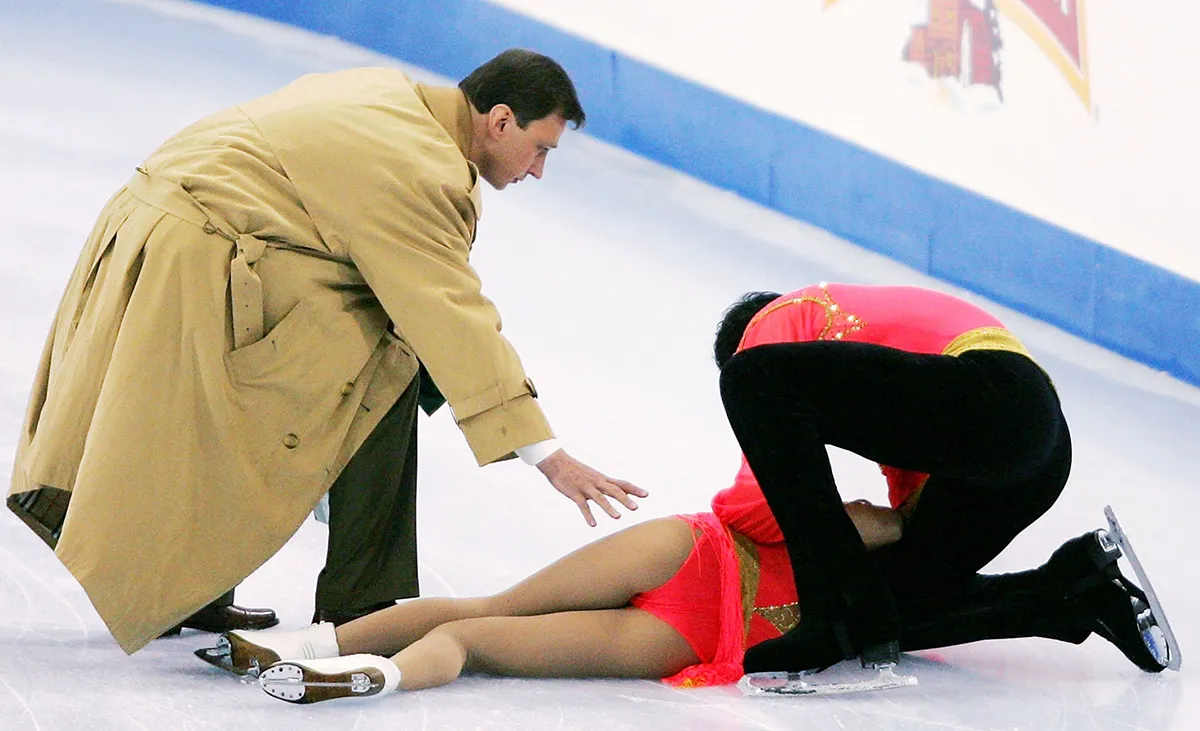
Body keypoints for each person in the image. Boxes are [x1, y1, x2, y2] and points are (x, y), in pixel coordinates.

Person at [6, 49, 645, 654]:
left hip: (154, 228)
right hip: (200, 254)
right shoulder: (424, 170)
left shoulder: (389, 93)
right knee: (389, 366)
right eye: (539, 149)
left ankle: (219, 592)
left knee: (260, 398)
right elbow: (451, 315)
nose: (537, 170)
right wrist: (547, 456)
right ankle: (365, 607)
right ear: (500, 121)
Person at [205, 478, 1168, 705]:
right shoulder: (885, 546)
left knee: (484, 614)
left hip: (689, 567)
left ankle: (316, 643)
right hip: (703, 624)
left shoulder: (868, 527)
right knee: (485, 638)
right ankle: (360, 674)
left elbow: (750, 501)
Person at [712, 281, 1089, 673]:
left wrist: (722, 516)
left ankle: (828, 611)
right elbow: (906, 498)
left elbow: (752, 506)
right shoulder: (888, 366)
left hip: (997, 397)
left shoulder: (777, 318)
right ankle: (1071, 592)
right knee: (893, 608)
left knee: (750, 378)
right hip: (1038, 457)